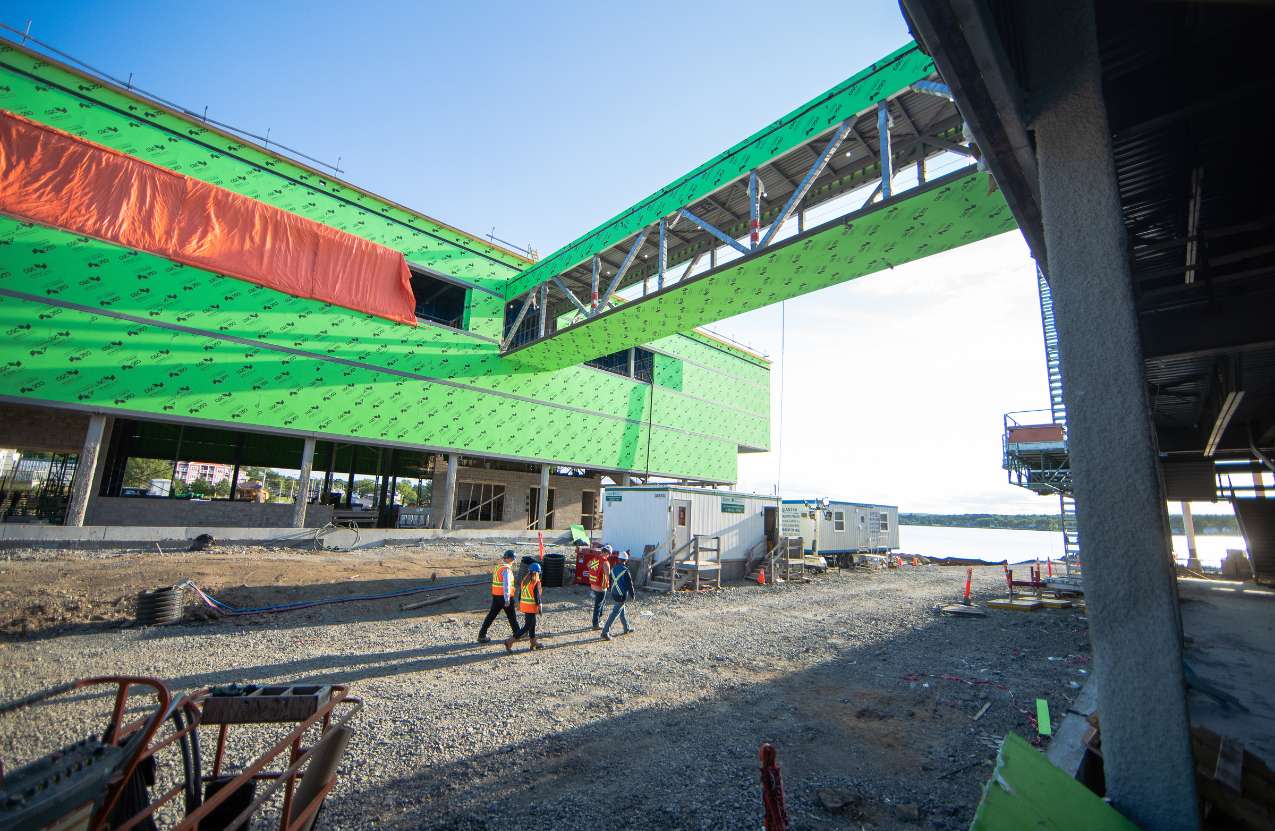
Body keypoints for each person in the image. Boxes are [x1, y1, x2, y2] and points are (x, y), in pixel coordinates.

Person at [477, 549, 518, 643]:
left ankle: (481, 635)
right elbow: (506, 585)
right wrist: (507, 599)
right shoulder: (506, 569)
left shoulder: (498, 567)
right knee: (512, 616)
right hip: (504, 597)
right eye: (513, 559)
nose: (514, 561)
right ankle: (518, 633)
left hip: (496, 596)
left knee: (491, 616)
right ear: (510, 559)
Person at [504, 561, 544, 652]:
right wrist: (540, 607)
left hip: (525, 607)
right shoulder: (536, 582)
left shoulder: (525, 580)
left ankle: (533, 642)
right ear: (537, 573)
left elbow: (520, 595)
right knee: (526, 627)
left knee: (532, 624)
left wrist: (520, 605)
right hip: (531, 607)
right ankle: (510, 641)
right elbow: (537, 597)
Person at [601, 550, 635, 641]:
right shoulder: (626, 571)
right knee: (615, 613)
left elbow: (611, 579)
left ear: (619, 559)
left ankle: (626, 628)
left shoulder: (613, 568)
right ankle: (605, 632)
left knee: (621, 610)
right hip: (621, 595)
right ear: (626, 560)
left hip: (614, 593)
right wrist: (633, 595)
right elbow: (629, 584)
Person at [588, 544, 614, 630]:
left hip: (593, 585)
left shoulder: (595, 559)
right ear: (608, 553)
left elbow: (589, 566)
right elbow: (608, 574)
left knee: (598, 604)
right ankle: (596, 624)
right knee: (598, 605)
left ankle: (597, 621)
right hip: (601, 587)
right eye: (609, 554)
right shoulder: (605, 562)